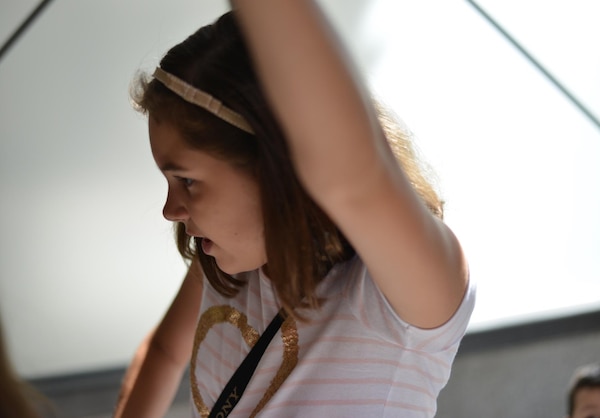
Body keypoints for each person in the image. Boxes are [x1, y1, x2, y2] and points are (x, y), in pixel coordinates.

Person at [114, 1, 475, 417]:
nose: (170, 210)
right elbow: (162, 350)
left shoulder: (398, 298)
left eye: (188, 181)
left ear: (275, 164)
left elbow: (353, 179)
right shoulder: (230, 262)